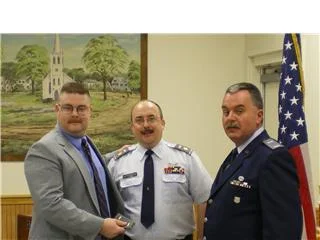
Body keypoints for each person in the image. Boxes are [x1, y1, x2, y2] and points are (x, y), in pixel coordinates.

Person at [24, 82, 127, 240]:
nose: (75, 114)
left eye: (81, 108)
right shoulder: (43, 150)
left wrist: (116, 153)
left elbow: (85, 170)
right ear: (57, 109)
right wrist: (100, 226)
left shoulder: (86, 143)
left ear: (90, 111)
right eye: (67, 108)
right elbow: (51, 204)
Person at [203, 82, 302, 239]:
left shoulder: (272, 158)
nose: (230, 118)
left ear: (259, 116)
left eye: (239, 111)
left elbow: (282, 232)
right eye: (225, 112)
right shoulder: (236, 154)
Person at [107, 100, 213, 240]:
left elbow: (204, 200)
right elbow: (107, 207)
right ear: (132, 127)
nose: (146, 125)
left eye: (151, 119)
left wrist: (201, 237)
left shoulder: (186, 159)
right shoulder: (118, 163)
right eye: (139, 120)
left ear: (162, 123)